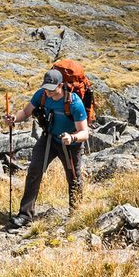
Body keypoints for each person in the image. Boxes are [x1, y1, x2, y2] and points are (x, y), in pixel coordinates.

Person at [8, 67, 89, 220]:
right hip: (49, 138)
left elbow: (84, 133)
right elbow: (26, 112)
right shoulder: (42, 95)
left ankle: (76, 214)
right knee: (34, 171)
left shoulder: (74, 103)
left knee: (74, 178)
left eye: (52, 89)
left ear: (61, 85)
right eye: (46, 88)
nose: (48, 92)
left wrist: (72, 138)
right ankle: (25, 215)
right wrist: (14, 118)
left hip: (71, 145)